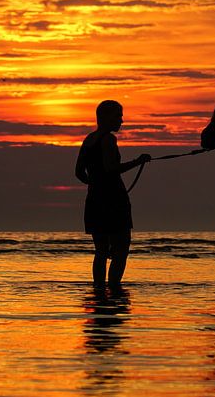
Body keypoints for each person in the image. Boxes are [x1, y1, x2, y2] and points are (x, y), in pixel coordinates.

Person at [75, 100, 150, 288]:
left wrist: (94, 184)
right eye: (118, 115)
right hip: (114, 200)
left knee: (100, 251)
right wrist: (138, 161)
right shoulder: (108, 139)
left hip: (94, 200)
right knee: (121, 250)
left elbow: (78, 172)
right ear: (105, 117)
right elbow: (111, 168)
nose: (121, 120)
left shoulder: (89, 139)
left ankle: (99, 291)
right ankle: (114, 290)